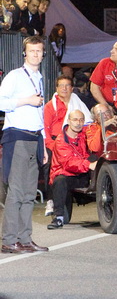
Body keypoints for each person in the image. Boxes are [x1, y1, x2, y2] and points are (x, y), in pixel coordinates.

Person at [0, 35, 49, 253]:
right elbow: (1, 102)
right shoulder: (15, 76)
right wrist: (26, 100)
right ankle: (9, 240)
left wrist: (44, 143)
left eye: (39, 51)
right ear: (24, 53)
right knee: (17, 192)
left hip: (34, 138)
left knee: (30, 193)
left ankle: (25, 239)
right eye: (32, 51)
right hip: (17, 137)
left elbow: (40, 114)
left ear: (43, 53)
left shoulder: (39, 77)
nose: (36, 54)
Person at [43, 75, 92, 216]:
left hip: (76, 140)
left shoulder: (78, 103)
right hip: (55, 142)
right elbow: (45, 128)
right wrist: (52, 145)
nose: (64, 88)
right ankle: (51, 199)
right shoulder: (50, 106)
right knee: (49, 163)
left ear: (72, 88)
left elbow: (87, 123)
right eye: (61, 86)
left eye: (67, 85)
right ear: (57, 88)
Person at [47, 110, 97, 229]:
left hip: (82, 173)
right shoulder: (60, 140)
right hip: (66, 174)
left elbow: (96, 128)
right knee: (60, 181)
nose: (78, 123)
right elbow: (69, 163)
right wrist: (89, 165)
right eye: (75, 120)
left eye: (81, 120)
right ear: (69, 121)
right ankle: (58, 217)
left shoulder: (83, 135)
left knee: (98, 158)